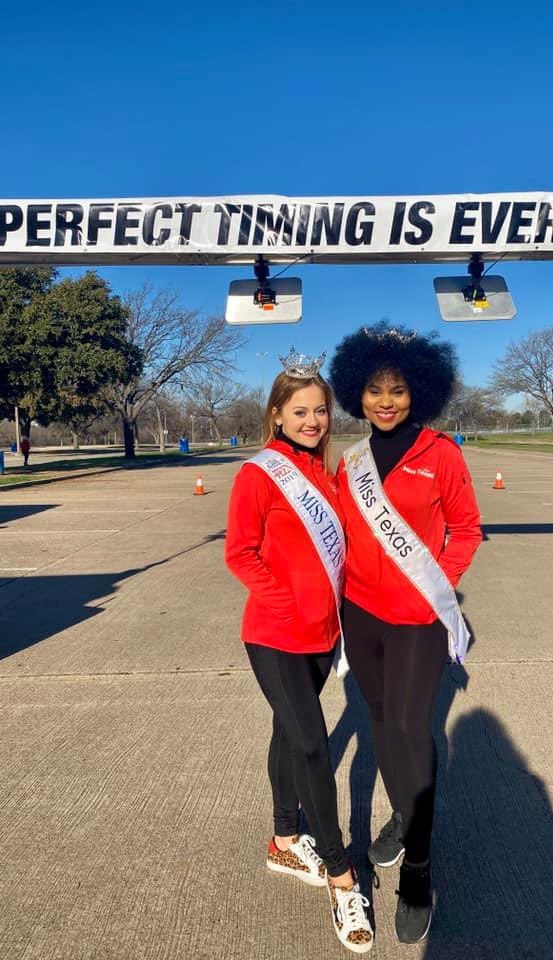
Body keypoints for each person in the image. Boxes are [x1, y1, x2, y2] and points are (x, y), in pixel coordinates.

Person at [329, 323, 482, 944]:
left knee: (414, 731)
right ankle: (401, 814)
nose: (385, 400)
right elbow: (337, 534)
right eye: (373, 389)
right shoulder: (352, 462)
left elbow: (467, 529)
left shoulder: (441, 454)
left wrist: (436, 586)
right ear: (356, 394)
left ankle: (417, 870)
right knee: (383, 723)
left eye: (396, 389)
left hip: (418, 621)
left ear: (417, 392)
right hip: (361, 616)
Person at [225, 349, 373, 955]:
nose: (312, 421)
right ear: (277, 415)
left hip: (322, 635)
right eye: (300, 411)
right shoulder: (259, 473)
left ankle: (285, 840)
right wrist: (287, 603)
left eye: (320, 411)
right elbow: (239, 553)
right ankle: (341, 876)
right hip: (276, 634)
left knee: (290, 734)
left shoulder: (327, 476)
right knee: (313, 746)